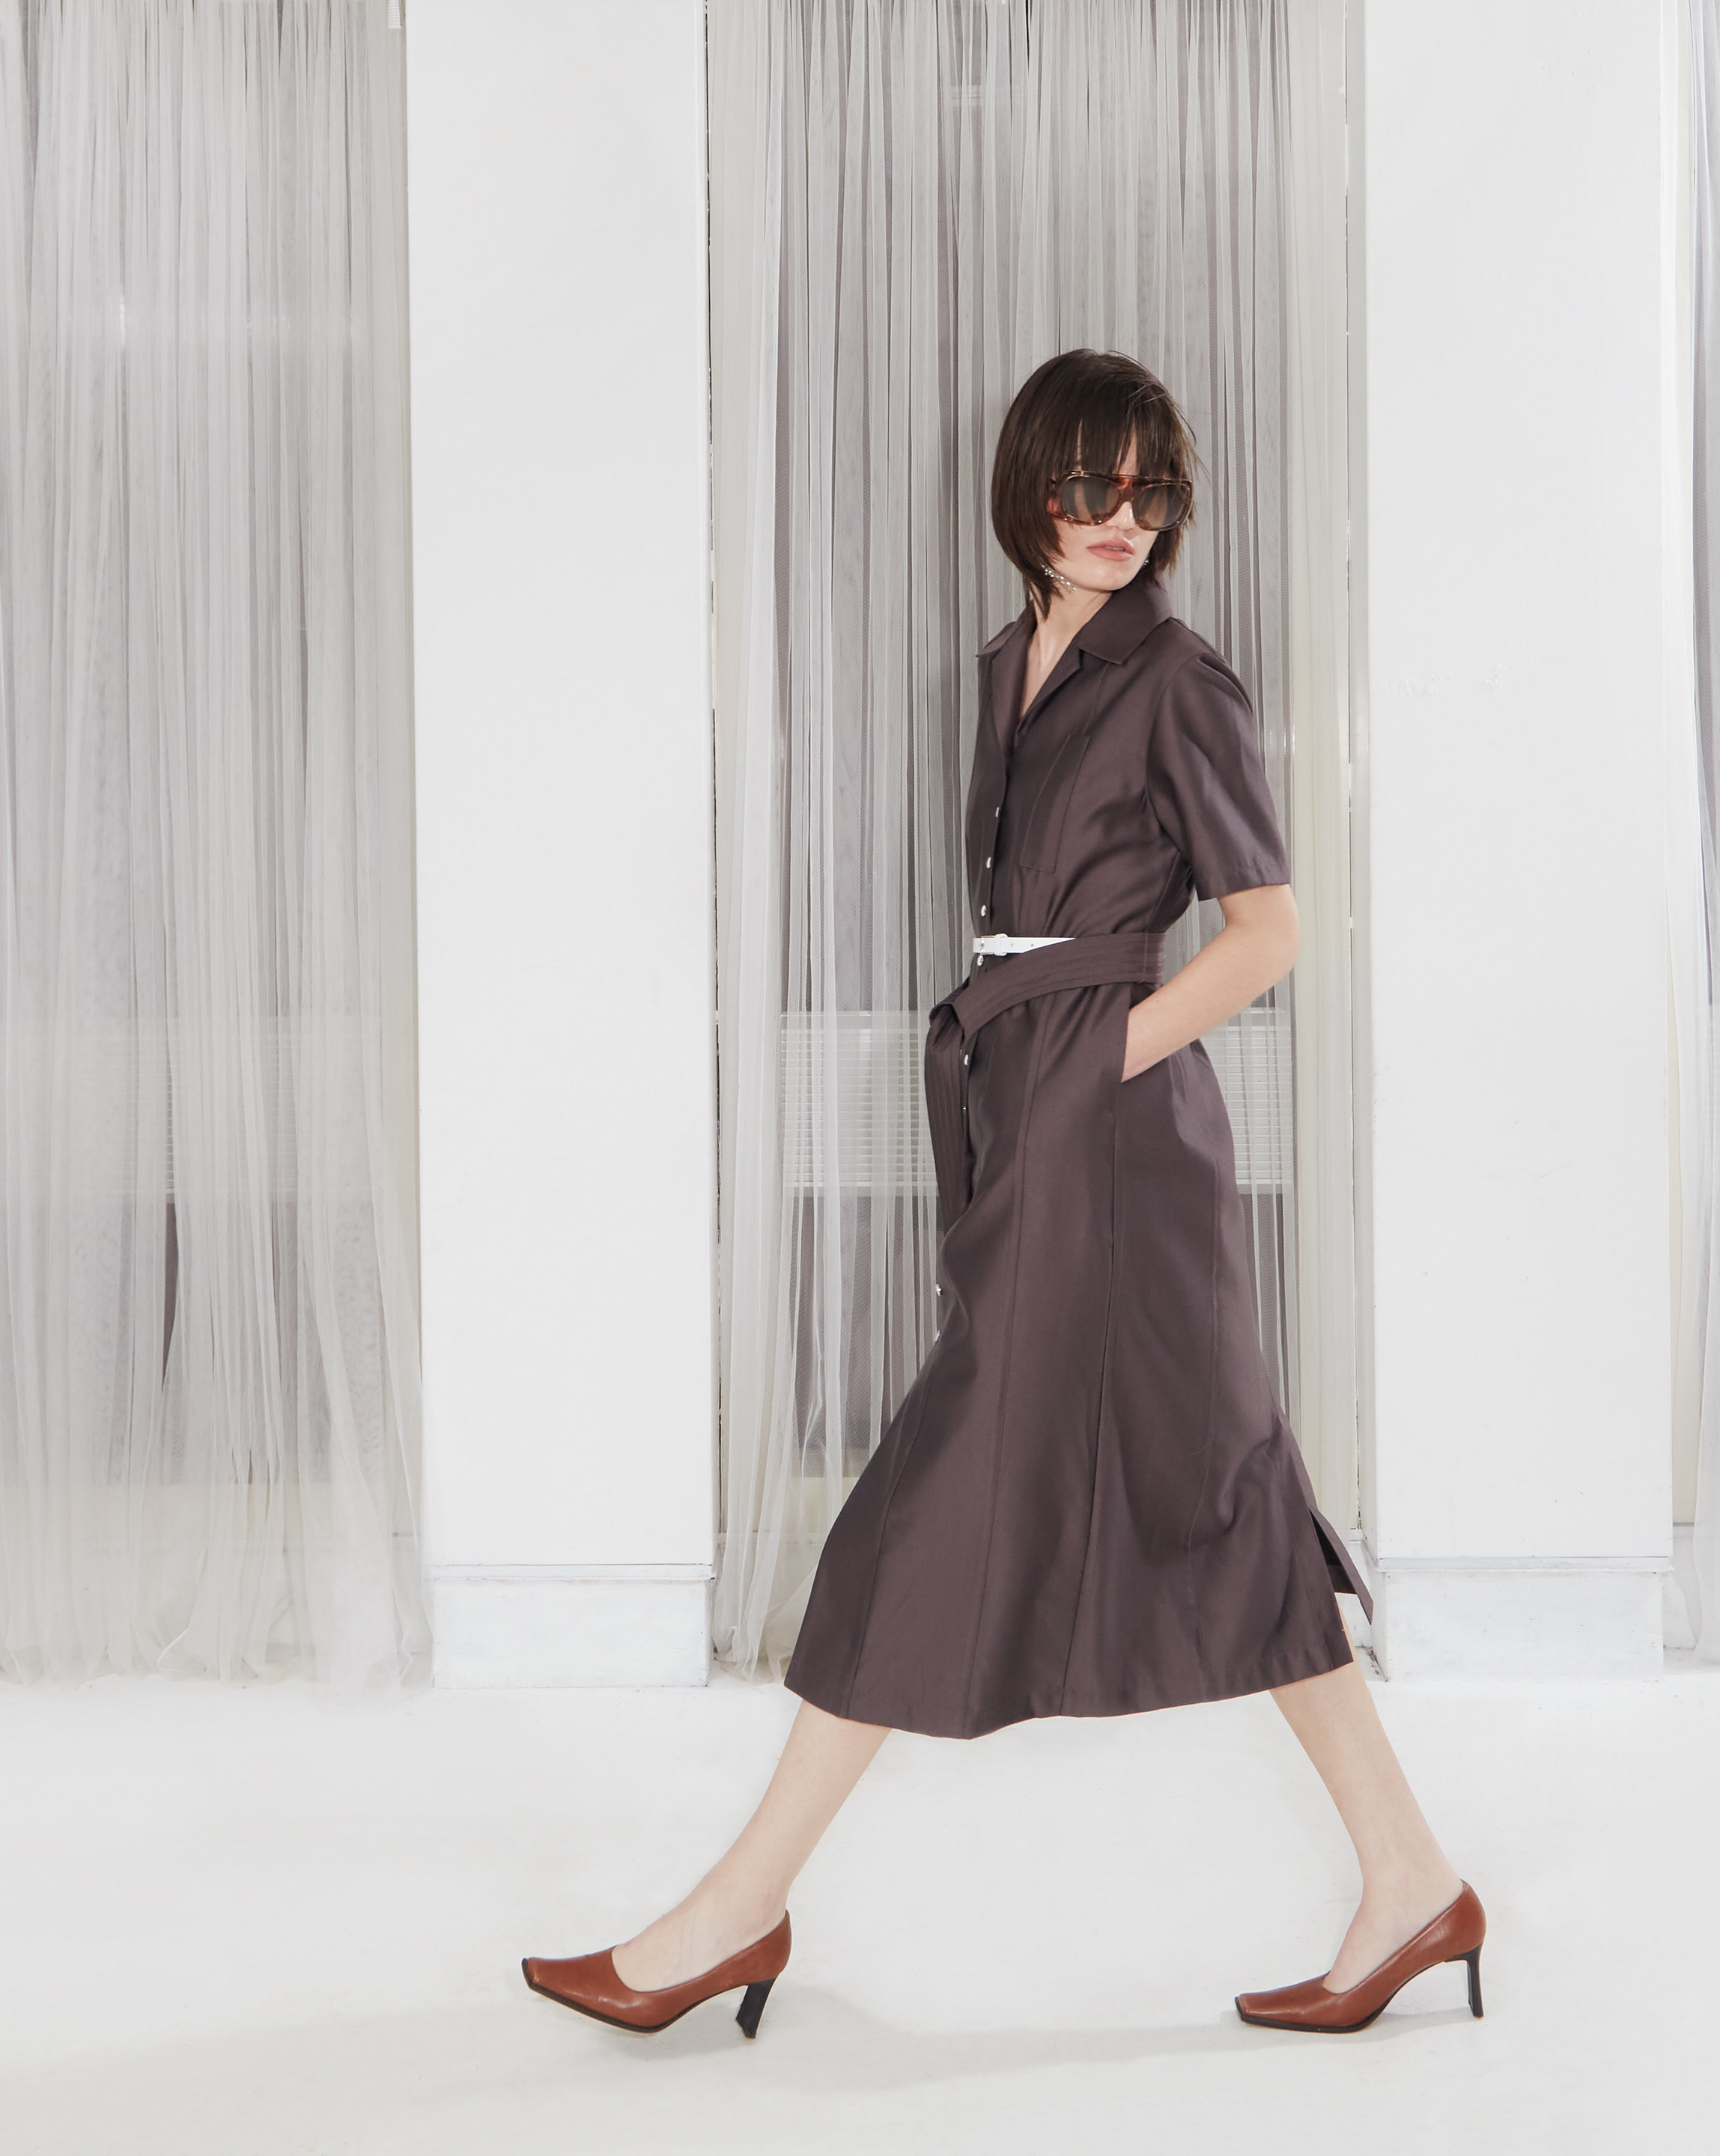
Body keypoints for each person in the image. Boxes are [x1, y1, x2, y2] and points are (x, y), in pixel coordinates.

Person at [523, 350, 1482, 2040]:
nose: (1122, 519)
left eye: (1149, 491)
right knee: (1223, 1496)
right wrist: (1041, 1073)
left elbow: (1266, 932)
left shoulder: (1178, 681)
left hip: (1112, 1141)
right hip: (1030, 1102)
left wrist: (1103, 1060)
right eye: (1087, 485)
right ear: (1029, 487)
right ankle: (1412, 1881)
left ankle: (733, 1916)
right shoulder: (1006, 667)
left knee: (935, 1502)